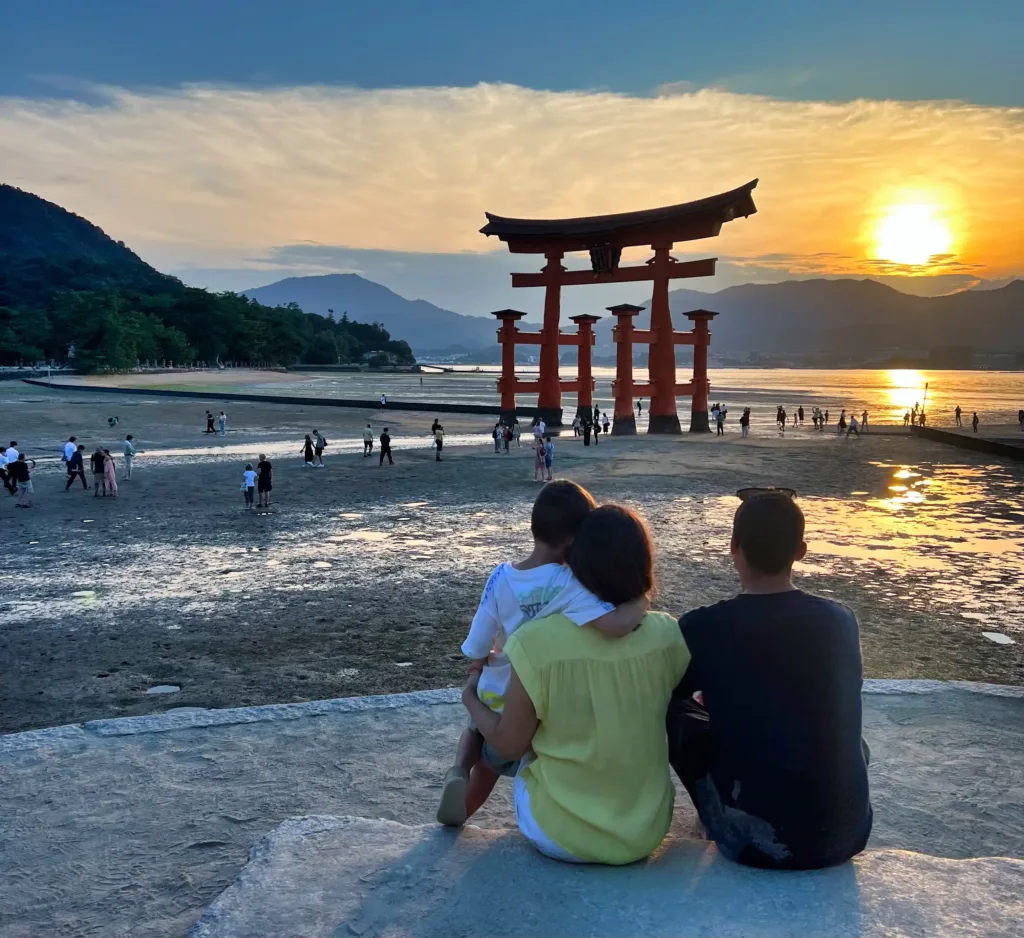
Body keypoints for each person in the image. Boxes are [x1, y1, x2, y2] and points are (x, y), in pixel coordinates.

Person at [459, 503, 689, 864]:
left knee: (517, 743)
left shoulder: (534, 642)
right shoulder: (668, 633)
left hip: (558, 833)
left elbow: (508, 743)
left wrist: (471, 698)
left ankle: (465, 777)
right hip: (646, 831)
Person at [668, 491, 872, 870]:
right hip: (846, 835)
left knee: (674, 713)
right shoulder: (840, 621)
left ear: (734, 547)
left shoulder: (703, 627)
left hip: (751, 842)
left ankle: (714, 812)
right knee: (849, 737)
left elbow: (672, 694)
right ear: (801, 551)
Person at [436, 482, 651, 832]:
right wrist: (641, 601)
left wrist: (479, 662)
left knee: (479, 740)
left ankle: (459, 774)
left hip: (495, 689)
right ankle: (484, 806)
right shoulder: (570, 583)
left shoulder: (500, 577)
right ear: (572, 540)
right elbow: (614, 625)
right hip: (534, 700)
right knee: (508, 758)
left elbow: (476, 642)